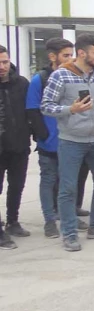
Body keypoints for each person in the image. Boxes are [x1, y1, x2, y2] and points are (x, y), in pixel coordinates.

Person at [41, 34, 94, 251]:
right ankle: (69, 233)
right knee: (68, 188)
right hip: (71, 141)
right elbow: (45, 106)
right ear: (82, 53)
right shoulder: (61, 76)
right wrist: (70, 109)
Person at [26, 38, 90, 238]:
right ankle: (49, 220)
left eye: (71, 55)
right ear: (52, 56)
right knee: (48, 180)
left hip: (71, 139)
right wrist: (43, 135)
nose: (70, 59)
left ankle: (68, 215)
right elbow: (32, 109)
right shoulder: (41, 79)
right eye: (65, 55)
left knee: (68, 182)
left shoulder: (75, 76)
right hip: (50, 141)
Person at [0, 45, 35, 248]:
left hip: (19, 145)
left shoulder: (21, 83)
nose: (2, 66)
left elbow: (31, 111)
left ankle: (13, 221)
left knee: (17, 186)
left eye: (4, 62)